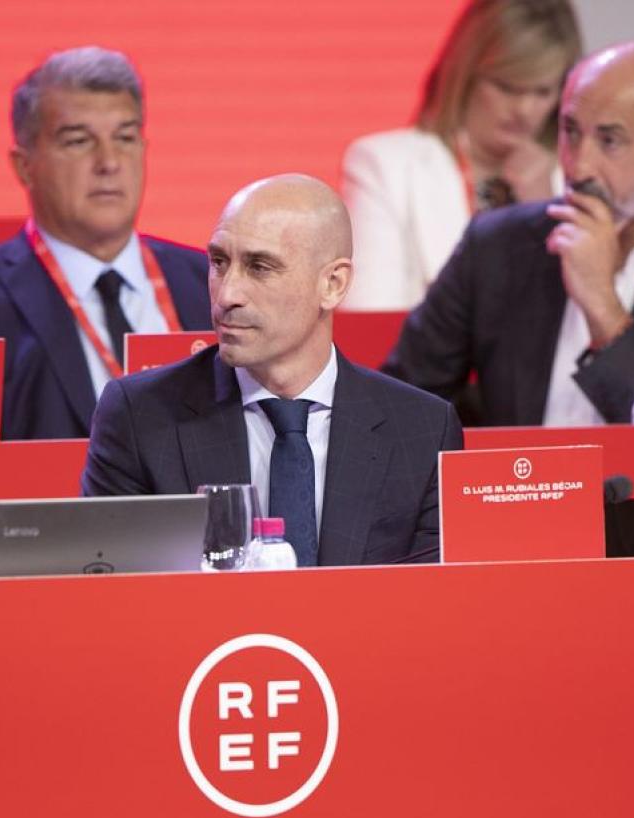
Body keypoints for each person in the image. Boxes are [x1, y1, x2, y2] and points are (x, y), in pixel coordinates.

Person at [384, 41, 634, 427]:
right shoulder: (496, 245)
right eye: (570, 131)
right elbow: (400, 402)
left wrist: (603, 309)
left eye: (609, 140)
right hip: (514, 494)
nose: (578, 167)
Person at [81, 175, 462, 566]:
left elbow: (421, 607)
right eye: (218, 262)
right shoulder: (140, 417)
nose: (227, 295)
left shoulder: (422, 430)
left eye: (260, 267)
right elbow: (115, 598)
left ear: (333, 284)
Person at [0, 46, 210, 440]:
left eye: (125, 138)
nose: (109, 162)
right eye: (78, 141)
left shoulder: (210, 281)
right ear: (24, 165)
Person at [340, 0, 581, 311]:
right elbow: (371, 321)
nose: (524, 110)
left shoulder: (576, 181)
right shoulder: (384, 165)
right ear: (466, 76)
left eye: (541, 92)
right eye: (507, 87)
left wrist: (545, 214)